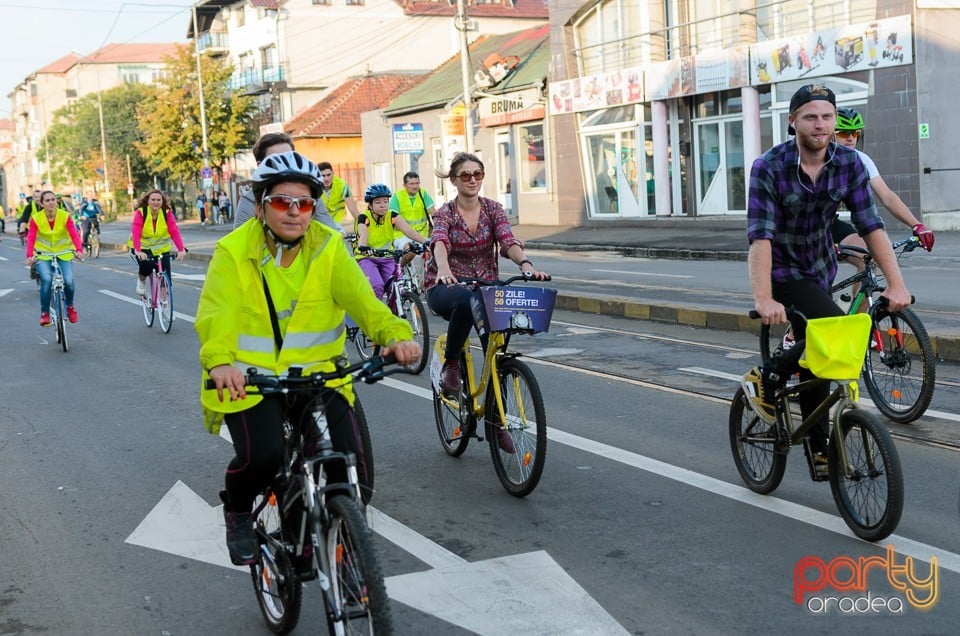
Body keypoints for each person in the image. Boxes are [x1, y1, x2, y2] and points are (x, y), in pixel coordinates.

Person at [196, 151, 422, 565]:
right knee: (263, 455)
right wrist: (220, 361)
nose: (295, 212)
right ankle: (238, 510)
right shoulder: (234, 251)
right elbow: (217, 313)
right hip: (250, 378)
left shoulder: (329, 247)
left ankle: (328, 548)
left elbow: (363, 301)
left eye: (305, 203)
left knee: (353, 475)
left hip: (319, 376)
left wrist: (395, 335)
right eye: (283, 202)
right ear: (262, 206)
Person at [743, 84, 911, 475]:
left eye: (826, 117)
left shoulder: (848, 163)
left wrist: (896, 283)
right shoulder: (769, 166)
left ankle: (819, 448)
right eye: (810, 117)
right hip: (780, 269)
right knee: (832, 329)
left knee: (819, 356)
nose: (820, 125)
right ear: (793, 121)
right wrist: (764, 297)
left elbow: (871, 225)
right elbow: (760, 236)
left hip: (819, 266)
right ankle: (767, 375)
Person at [425, 152, 549, 453]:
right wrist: (443, 268)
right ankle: (451, 365)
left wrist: (526, 265)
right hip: (446, 286)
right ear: (454, 180)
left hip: (486, 288)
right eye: (465, 175)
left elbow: (508, 241)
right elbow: (439, 242)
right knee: (467, 301)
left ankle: (496, 422)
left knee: (498, 353)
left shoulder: (493, 209)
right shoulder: (445, 213)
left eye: (477, 174)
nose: (472, 180)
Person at [831, 107, 935, 258]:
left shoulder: (862, 159)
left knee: (869, 258)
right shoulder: (819, 159)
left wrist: (917, 225)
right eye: (843, 133)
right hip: (805, 226)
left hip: (831, 222)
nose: (850, 138)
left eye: (854, 133)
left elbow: (887, 195)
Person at [233, 132, 338, 231]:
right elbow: (239, 243)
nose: (286, 165)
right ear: (260, 166)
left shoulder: (309, 196)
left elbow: (330, 230)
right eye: (277, 160)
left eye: (290, 158)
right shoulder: (249, 200)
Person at [355, 183, 428, 300]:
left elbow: (409, 231)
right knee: (377, 286)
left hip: (387, 256)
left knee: (395, 288)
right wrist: (363, 246)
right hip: (367, 257)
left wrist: (426, 242)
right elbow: (363, 232)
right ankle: (375, 316)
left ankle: (394, 316)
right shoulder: (364, 217)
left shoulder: (392, 216)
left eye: (385, 201)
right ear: (370, 205)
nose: (383, 205)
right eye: (378, 202)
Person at [25, 190, 84, 326]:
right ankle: (45, 313)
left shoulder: (64, 216)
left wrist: (79, 250)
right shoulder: (36, 219)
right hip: (43, 254)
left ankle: (70, 307)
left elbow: (74, 234)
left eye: (53, 200)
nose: (51, 203)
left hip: (64, 252)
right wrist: (29, 256)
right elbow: (31, 238)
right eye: (47, 200)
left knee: (68, 280)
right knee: (46, 278)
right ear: (42, 203)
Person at [129, 190, 187, 296]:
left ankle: (165, 302)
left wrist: (181, 249)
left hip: (162, 249)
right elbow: (136, 232)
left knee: (166, 277)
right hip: (143, 248)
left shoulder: (166, 213)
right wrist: (138, 250)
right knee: (146, 265)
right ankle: (141, 282)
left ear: (162, 201)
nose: (156, 202)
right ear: (148, 201)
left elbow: (174, 231)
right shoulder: (141, 213)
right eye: (153, 200)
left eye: (159, 200)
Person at [390, 171, 435, 290]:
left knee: (435, 251)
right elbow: (392, 219)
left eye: (417, 183)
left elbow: (433, 213)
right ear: (404, 185)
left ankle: (428, 279)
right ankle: (399, 268)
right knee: (410, 248)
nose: (415, 186)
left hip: (421, 235)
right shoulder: (397, 197)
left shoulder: (423, 194)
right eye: (411, 184)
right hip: (401, 235)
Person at [318, 161, 359, 229]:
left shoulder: (342, 185)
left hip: (336, 221)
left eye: (329, 175)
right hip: (319, 221)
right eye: (323, 176)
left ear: (333, 173)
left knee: (338, 236)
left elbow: (353, 209)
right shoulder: (313, 187)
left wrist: (361, 224)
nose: (326, 179)